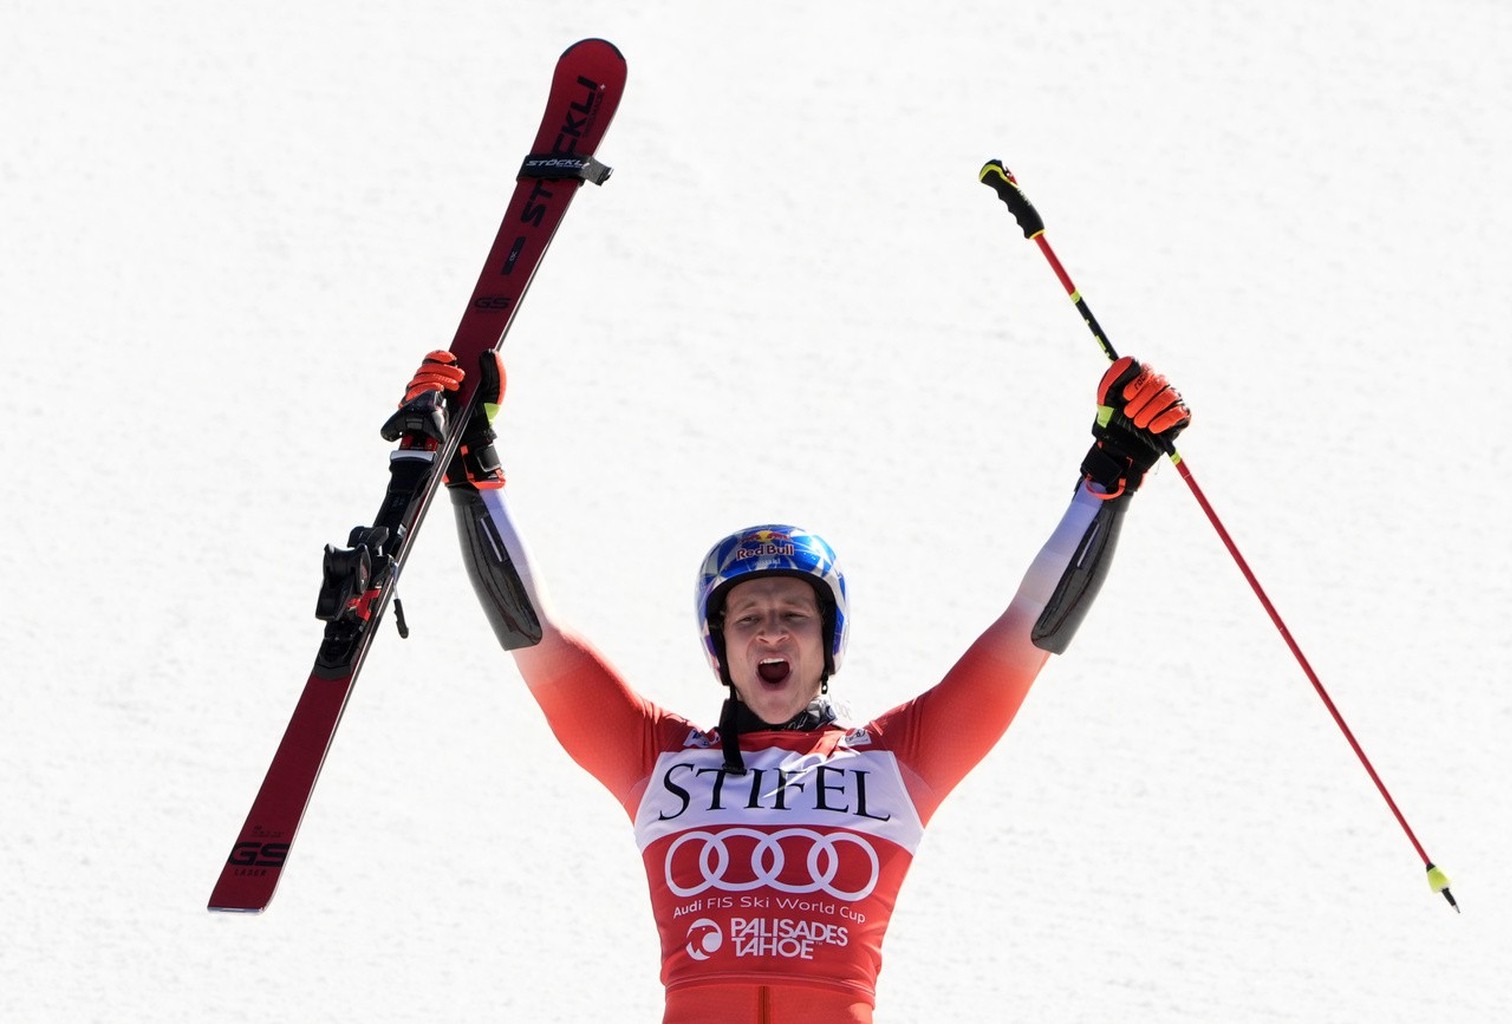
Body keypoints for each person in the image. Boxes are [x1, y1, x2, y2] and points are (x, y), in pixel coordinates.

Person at [396, 347, 1190, 1023]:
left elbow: (1030, 629)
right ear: (721, 649)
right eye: (747, 618)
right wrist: (475, 478)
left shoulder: (895, 761)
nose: (771, 631)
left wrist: (1108, 474)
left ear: (828, 642)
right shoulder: (655, 758)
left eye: (793, 615)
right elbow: (531, 630)